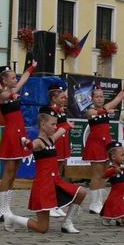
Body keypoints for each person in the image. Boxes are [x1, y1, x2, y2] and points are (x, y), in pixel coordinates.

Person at [4, 106, 87, 234]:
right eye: (52, 124)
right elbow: (33, 146)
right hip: (43, 186)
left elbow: (61, 129)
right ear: (43, 125)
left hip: (55, 182)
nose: (55, 127)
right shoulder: (40, 142)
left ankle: (67, 222)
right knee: (42, 228)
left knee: (81, 192)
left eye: (55, 124)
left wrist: (68, 125)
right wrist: (27, 143)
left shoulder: (51, 139)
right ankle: (11, 218)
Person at [84, 77, 124, 214]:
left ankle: (100, 201)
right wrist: (106, 111)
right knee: (97, 175)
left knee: (105, 173)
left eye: (101, 96)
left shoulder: (106, 107)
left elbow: (119, 97)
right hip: (95, 145)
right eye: (97, 97)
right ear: (92, 98)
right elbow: (93, 114)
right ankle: (94, 203)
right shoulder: (90, 111)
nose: (100, 99)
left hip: (106, 145)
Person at [0, 61, 37, 222]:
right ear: (4, 81)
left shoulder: (15, 90)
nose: (15, 79)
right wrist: (12, 95)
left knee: (14, 173)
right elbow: (5, 95)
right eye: (12, 78)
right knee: (8, 172)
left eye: (15, 77)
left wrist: (32, 67)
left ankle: (6, 207)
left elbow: (25, 78)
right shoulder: (3, 95)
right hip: (12, 134)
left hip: (20, 133)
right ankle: (2, 209)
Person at [49, 84, 72, 217]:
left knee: (59, 173)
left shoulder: (61, 110)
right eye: (61, 97)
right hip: (56, 143)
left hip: (63, 143)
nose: (64, 99)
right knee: (53, 174)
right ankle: (50, 203)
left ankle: (57, 203)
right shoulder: (52, 110)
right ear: (53, 98)